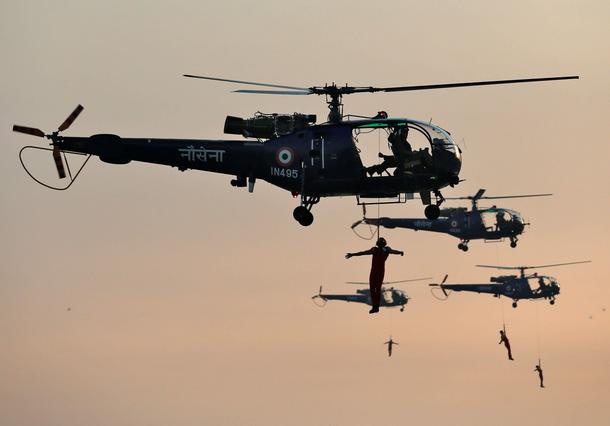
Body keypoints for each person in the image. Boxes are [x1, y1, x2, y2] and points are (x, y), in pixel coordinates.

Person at [345, 237, 404, 314]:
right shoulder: (386, 250)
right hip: (380, 272)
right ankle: (375, 307)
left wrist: (353, 254)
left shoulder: (375, 250)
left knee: (374, 289)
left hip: (375, 272)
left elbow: (364, 252)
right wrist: (400, 252)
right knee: (377, 289)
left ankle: (375, 307)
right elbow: (394, 251)